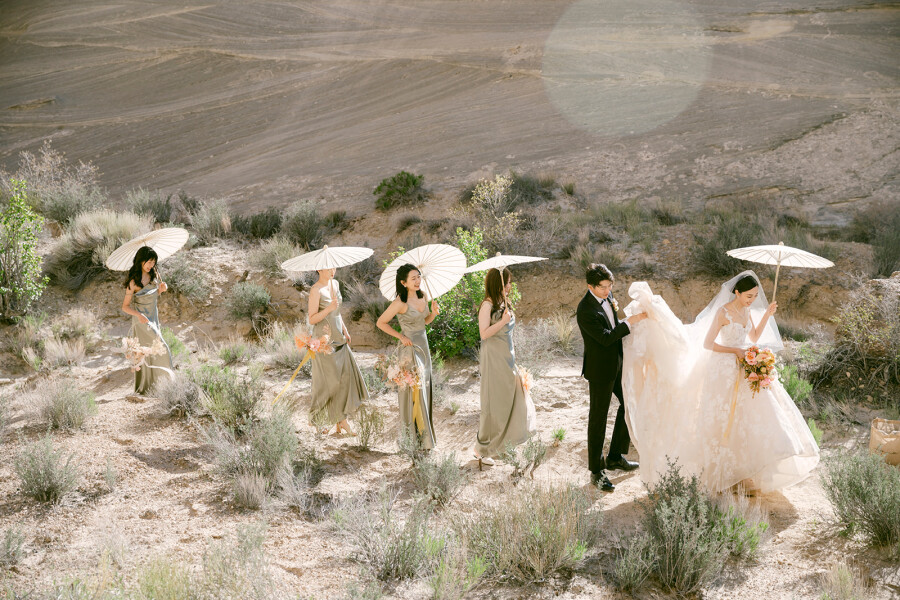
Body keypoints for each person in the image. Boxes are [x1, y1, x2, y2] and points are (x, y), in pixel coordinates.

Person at [621, 271, 820, 493]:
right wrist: (734, 350)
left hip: (745, 366)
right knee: (724, 421)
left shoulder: (748, 311)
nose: (751, 300)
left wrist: (766, 315)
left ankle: (747, 472)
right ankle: (723, 474)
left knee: (751, 418)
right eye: (748, 296)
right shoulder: (723, 312)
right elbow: (708, 343)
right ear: (737, 292)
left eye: (755, 296)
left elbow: (753, 337)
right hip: (724, 368)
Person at [576, 263, 648, 491]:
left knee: (628, 404)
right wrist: (630, 322)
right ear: (590, 286)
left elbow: (613, 325)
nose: (607, 291)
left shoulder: (608, 298)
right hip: (599, 370)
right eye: (602, 287)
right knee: (597, 419)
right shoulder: (585, 310)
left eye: (609, 286)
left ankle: (615, 456)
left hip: (617, 364)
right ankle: (596, 471)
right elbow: (606, 338)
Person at [474, 268, 536, 468]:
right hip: (493, 358)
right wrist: (502, 322)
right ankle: (482, 450)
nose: (510, 286)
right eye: (507, 282)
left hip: (507, 356)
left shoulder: (502, 303)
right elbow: (484, 334)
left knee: (511, 396)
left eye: (509, 282)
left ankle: (503, 442)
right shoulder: (487, 305)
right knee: (494, 402)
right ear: (498, 284)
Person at [376, 264, 440, 450]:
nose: (418, 281)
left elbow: (424, 322)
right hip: (409, 349)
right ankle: (412, 439)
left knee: (424, 388)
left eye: (419, 277)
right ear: (403, 283)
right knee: (413, 391)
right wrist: (400, 336)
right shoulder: (400, 303)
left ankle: (424, 439)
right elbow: (381, 322)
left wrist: (433, 313)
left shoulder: (423, 296)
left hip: (423, 346)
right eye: (413, 278)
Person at [307, 268, 369, 435]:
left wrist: (345, 330)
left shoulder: (335, 284)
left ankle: (341, 420)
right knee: (327, 382)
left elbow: (337, 312)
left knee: (344, 379)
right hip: (323, 339)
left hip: (339, 337)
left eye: (334, 267)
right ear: (320, 269)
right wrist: (328, 309)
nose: (333, 270)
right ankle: (319, 420)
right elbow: (312, 318)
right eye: (329, 267)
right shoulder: (315, 290)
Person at [121, 246, 173, 394]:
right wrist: (138, 315)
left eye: (153, 262)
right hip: (141, 322)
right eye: (148, 261)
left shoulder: (154, 278)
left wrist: (161, 289)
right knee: (160, 348)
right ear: (141, 261)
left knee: (153, 353)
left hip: (153, 318)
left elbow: (153, 295)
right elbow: (125, 307)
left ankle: (159, 388)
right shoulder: (133, 282)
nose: (151, 265)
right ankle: (157, 385)